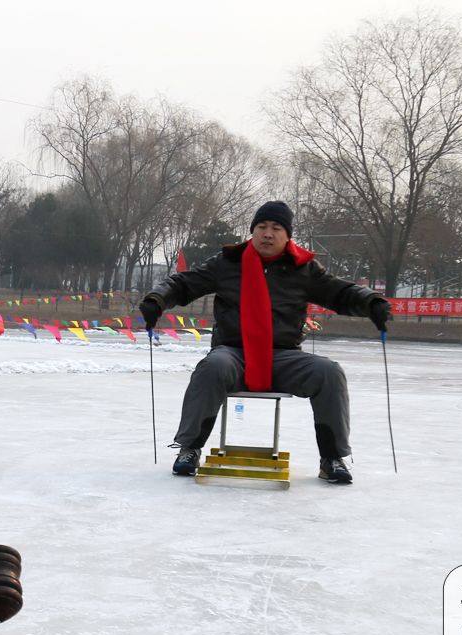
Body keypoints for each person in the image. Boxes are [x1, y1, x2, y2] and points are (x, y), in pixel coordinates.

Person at [139, 201, 391, 485]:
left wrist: (372, 302)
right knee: (213, 366)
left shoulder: (304, 269)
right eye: (262, 227)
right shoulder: (227, 263)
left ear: (287, 236)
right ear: (252, 231)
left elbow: (341, 292)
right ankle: (189, 449)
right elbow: (183, 283)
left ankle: (332, 457)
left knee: (328, 372)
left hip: (284, 357)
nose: (267, 234)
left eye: (276, 228)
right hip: (234, 354)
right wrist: (156, 300)